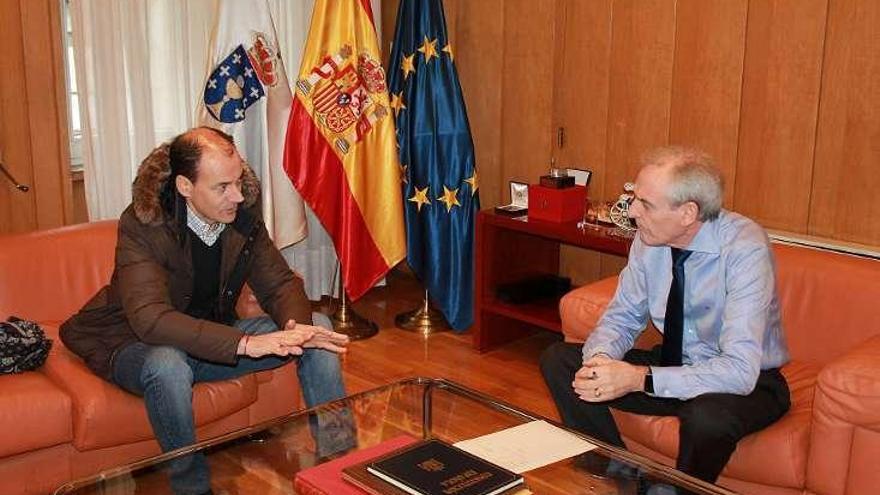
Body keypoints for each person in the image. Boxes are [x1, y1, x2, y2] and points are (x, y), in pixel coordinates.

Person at [61, 127, 352, 495]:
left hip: (210, 342)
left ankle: (341, 467)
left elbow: (279, 284)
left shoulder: (241, 214)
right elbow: (150, 319)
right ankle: (192, 487)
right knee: (168, 364)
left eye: (238, 181)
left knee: (317, 330)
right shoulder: (143, 224)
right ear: (185, 187)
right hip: (134, 342)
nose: (237, 195)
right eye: (222, 187)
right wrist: (245, 343)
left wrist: (296, 328)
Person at [541, 146, 791, 490]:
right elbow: (623, 315)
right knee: (560, 360)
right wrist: (600, 360)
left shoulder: (744, 248)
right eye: (634, 197)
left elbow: (738, 370)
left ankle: (679, 489)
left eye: (645, 203)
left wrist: (639, 379)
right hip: (673, 364)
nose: (631, 211)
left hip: (744, 382)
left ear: (688, 212)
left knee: (706, 418)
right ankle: (621, 472)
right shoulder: (649, 239)